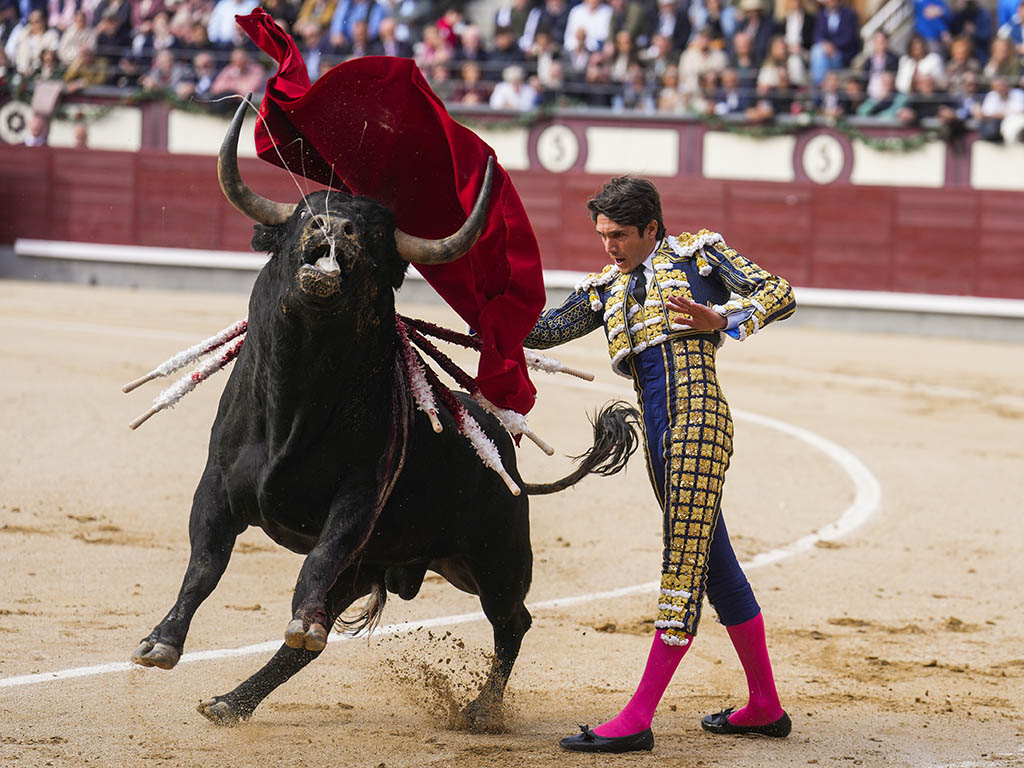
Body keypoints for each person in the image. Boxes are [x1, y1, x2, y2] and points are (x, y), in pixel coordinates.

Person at [523, 176, 795, 754]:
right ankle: (764, 705)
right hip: (659, 434)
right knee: (712, 562)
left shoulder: (700, 254)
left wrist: (720, 319)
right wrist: (484, 304)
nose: (609, 247)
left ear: (651, 228)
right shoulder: (606, 287)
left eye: (619, 235)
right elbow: (544, 331)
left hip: (698, 420)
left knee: (681, 563)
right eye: (602, 236)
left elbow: (777, 292)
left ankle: (639, 716)